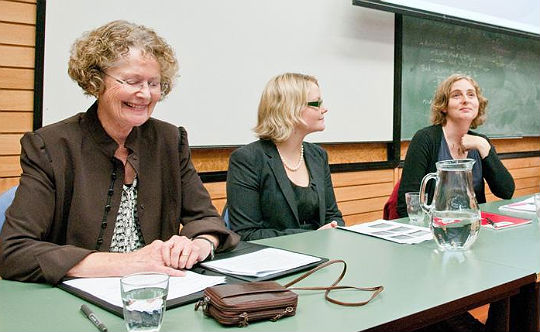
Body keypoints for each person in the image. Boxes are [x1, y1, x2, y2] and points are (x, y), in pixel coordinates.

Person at [0, 20, 239, 285]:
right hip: (78, 299)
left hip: (158, 291)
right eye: (132, 81)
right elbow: (14, 252)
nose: (145, 94)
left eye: (154, 83)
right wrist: (128, 263)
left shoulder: (170, 140)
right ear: (96, 81)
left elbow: (205, 217)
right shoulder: (51, 146)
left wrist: (200, 244)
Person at [226, 73, 344, 241]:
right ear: (290, 109)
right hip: (271, 261)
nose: (324, 109)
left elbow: (333, 215)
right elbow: (247, 233)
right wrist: (312, 237)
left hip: (320, 256)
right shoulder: (247, 159)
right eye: (316, 103)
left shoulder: (318, 156)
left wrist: (334, 228)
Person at [397, 73, 515, 217]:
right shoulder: (426, 139)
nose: (465, 100)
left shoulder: (480, 142)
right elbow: (407, 204)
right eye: (456, 95)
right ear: (444, 106)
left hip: (471, 227)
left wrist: (484, 146)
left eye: (471, 95)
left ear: (478, 104)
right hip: (435, 230)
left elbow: (506, 191)